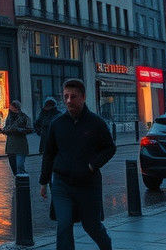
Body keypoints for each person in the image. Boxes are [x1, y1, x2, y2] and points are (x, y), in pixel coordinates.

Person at [39, 79, 116, 250]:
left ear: (83, 97)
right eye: (65, 96)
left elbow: (110, 148)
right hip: (61, 183)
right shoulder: (57, 123)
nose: (68, 101)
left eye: (73, 97)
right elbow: (49, 153)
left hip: (88, 184)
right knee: (64, 224)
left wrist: (92, 165)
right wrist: (43, 182)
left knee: (91, 225)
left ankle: (106, 245)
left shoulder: (96, 123)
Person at [1, 100, 34, 175]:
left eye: (14, 108)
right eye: (12, 108)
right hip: (10, 146)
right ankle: (18, 181)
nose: (13, 109)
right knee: (14, 168)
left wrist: (19, 130)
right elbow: (6, 128)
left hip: (20, 145)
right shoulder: (9, 118)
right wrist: (4, 130)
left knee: (19, 166)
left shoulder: (24, 117)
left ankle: (23, 180)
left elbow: (30, 129)